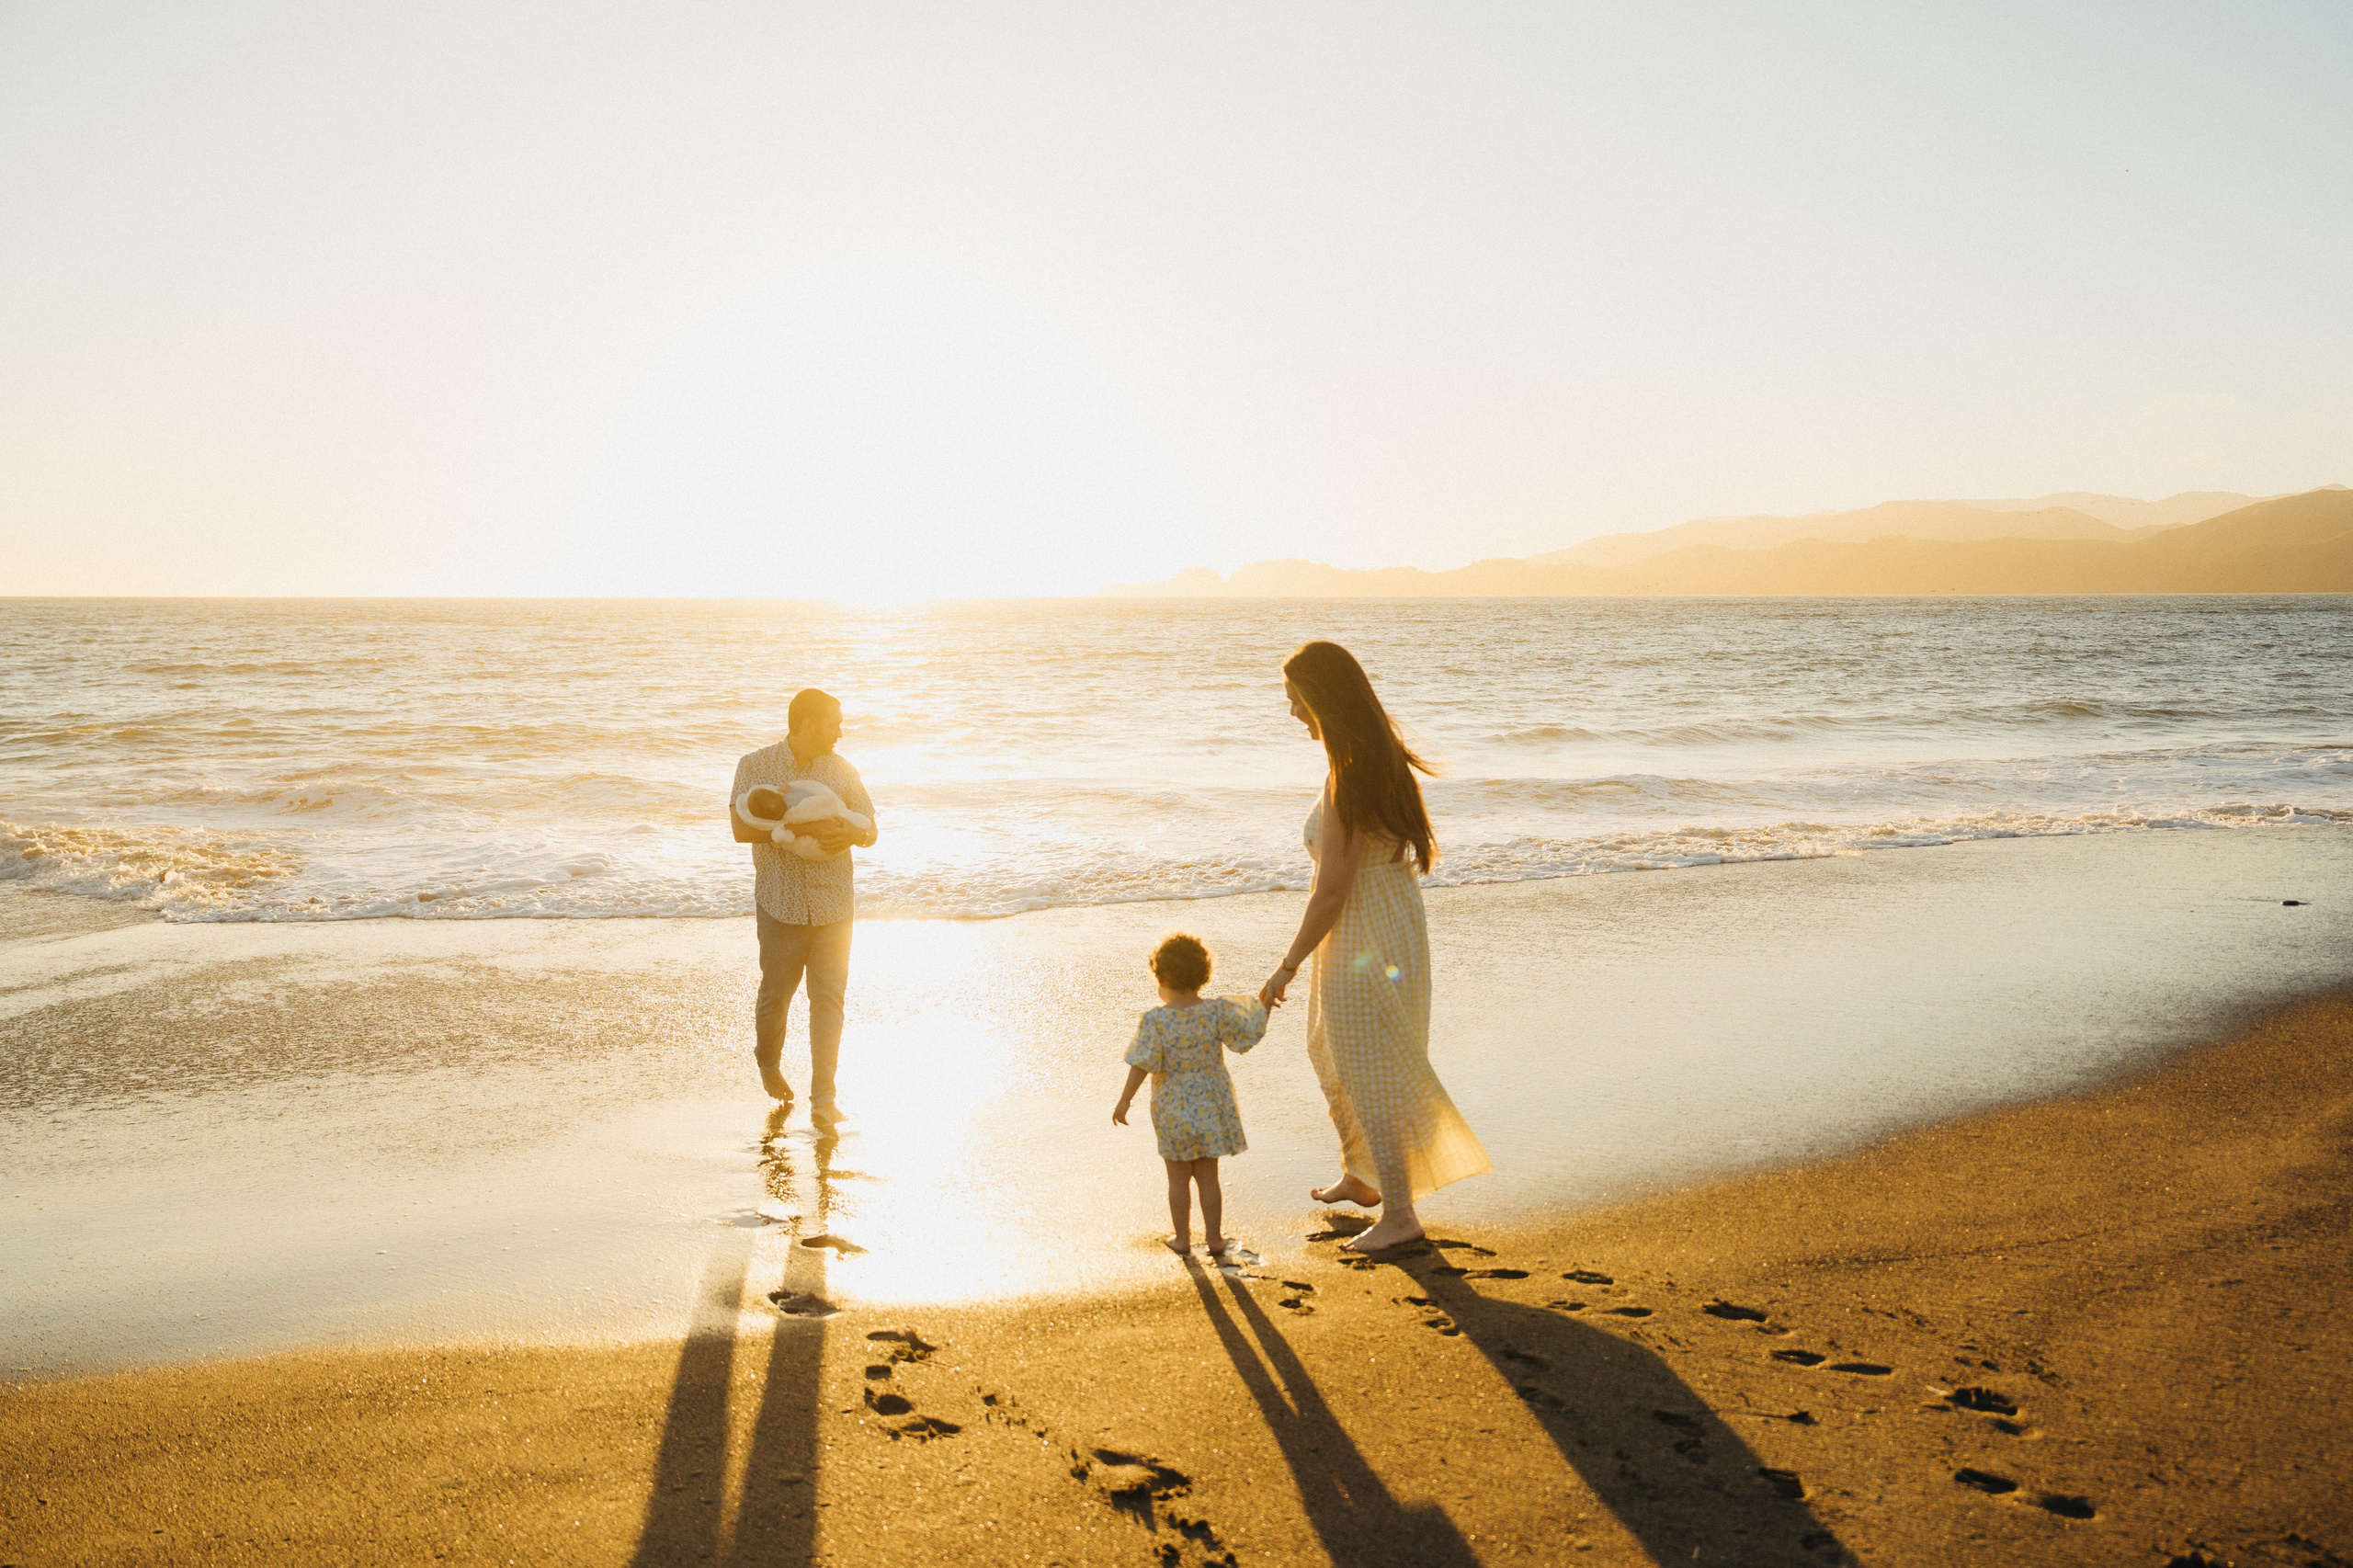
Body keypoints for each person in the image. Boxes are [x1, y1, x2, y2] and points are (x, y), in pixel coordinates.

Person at [1257, 641, 1490, 1253]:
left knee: (1371, 1072)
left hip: (1364, 933)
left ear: (1324, 700)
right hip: (1388, 926)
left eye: (1297, 701)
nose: (1292, 713)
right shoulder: (1375, 757)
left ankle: (1400, 1215)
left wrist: (1285, 966)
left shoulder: (1352, 772)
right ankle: (1364, 1179)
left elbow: (1332, 890)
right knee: (1335, 1051)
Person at [730, 688, 878, 1127]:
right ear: (808, 723)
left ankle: (823, 1099)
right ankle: (769, 1062)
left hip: (835, 901)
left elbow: (871, 827)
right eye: (834, 722)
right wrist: (802, 823)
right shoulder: (754, 766)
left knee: (829, 999)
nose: (840, 731)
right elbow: (740, 827)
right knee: (777, 992)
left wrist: (851, 835)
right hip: (780, 900)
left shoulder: (842, 769)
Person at [1113, 933, 1267, 1258]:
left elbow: (1142, 1063)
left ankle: (1182, 1239)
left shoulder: (1155, 1020)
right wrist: (1265, 1002)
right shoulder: (1214, 1012)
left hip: (1172, 1109)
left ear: (1162, 977)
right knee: (1208, 1177)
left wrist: (1125, 1100)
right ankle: (1214, 1239)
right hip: (1211, 1105)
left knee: (1178, 1179)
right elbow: (1247, 1032)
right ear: (1203, 975)